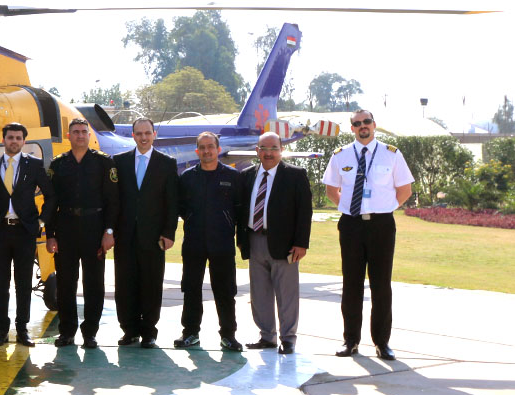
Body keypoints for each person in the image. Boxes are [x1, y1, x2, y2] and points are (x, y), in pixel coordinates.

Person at [322, 110, 413, 361]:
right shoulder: (340, 155)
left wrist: (384, 207)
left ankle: (382, 342)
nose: (363, 126)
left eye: (367, 122)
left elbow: (405, 189)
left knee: (381, 284)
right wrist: (352, 208)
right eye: (357, 123)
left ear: (374, 125)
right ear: (352, 128)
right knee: (351, 283)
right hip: (351, 225)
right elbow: (331, 189)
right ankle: (350, 340)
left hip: (381, 225)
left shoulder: (391, 154)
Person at [45, 118, 118, 349]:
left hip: (94, 227)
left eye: (83, 132)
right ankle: (67, 332)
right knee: (66, 283)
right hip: (65, 227)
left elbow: (113, 201)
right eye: (75, 132)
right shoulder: (58, 164)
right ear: (69, 136)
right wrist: (50, 234)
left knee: (94, 283)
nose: (80, 135)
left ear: (89, 135)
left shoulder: (103, 163)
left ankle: (90, 333)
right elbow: (51, 203)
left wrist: (109, 231)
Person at [239, 132, 312, 355]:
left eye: (273, 148)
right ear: (257, 151)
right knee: (259, 294)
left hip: (285, 245)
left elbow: (304, 212)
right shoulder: (247, 175)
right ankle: (267, 336)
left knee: (286, 294)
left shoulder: (295, 175)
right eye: (264, 148)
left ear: (281, 150)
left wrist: (301, 243)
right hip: (254, 240)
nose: (268, 153)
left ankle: (288, 339)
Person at [175, 132, 244, 352]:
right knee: (191, 288)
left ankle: (228, 335)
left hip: (222, 243)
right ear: (197, 151)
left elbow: (240, 209)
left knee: (225, 291)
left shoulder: (232, 176)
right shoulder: (187, 177)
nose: (206, 151)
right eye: (202, 147)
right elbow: (181, 207)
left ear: (218, 149)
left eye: (210, 147)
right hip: (193, 242)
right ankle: (190, 333)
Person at [0, 122, 53, 347]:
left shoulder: (34, 164)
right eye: (10, 137)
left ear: (24, 141)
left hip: (25, 232)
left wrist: (40, 222)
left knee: (23, 284)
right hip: (0, 232)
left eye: (18, 138)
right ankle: (2, 329)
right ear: (3, 140)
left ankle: (22, 328)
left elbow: (51, 195)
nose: (14, 141)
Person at [112, 118, 177, 349]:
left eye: (147, 133)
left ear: (154, 134)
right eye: (139, 133)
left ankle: (149, 331)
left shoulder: (167, 163)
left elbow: (172, 202)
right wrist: (110, 230)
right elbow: (114, 200)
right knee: (125, 284)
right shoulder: (119, 162)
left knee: (151, 284)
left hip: (154, 236)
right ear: (133, 136)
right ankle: (129, 330)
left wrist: (169, 233)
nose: (143, 137)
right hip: (124, 235)